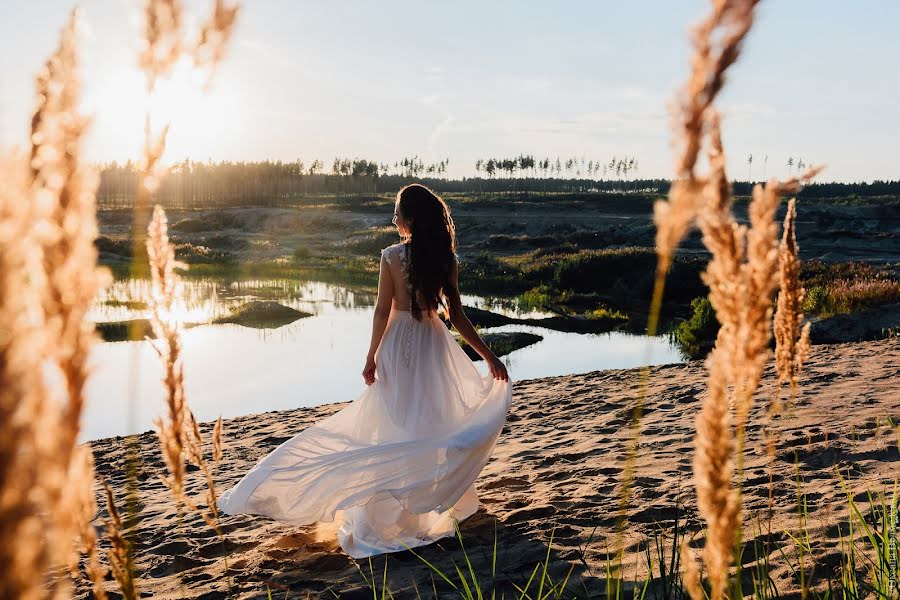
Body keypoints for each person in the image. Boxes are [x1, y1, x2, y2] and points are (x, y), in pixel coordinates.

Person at [217, 183, 512, 558]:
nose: (394, 220)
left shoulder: (391, 256)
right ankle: (423, 505)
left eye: (397, 213)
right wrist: (488, 356)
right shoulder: (445, 259)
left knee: (393, 426)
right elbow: (457, 318)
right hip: (432, 344)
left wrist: (371, 355)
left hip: (398, 345)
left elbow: (382, 310)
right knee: (432, 421)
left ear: (410, 220)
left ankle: (393, 511)